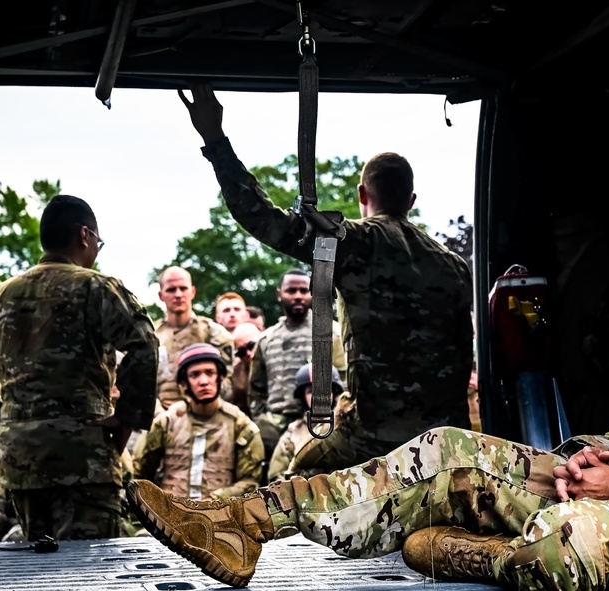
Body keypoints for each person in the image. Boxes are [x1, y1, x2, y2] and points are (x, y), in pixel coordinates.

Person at [127, 159, 609, 591]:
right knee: (445, 448)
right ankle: (242, 523)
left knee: (564, 546)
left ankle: (484, 551)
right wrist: (599, 453)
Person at [178, 83, 473, 470]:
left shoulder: (353, 242)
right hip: (447, 438)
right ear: (411, 200)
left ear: (362, 195)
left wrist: (215, 139)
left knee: (301, 477)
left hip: (375, 434)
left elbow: (262, 218)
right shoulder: (455, 264)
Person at [0, 195, 159, 541]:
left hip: (22, 460)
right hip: (83, 457)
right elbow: (144, 344)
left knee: (35, 571)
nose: (97, 250)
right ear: (84, 236)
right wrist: (127, 415)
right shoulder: (95, 287)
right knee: (89, 574)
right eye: (98, 241)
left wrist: (0, 424)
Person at [134, 344, 264, 500]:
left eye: (210, 373)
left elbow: (249, 482)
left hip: (220, 517)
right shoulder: (166, 422)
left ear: (220, 378)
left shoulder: (241, 425)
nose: (204, 381)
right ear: (184, 383)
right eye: (195, 375)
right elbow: (139, 475)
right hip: (168, 517)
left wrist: (214, 502)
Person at [250, 269, 347, 459]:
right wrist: (261, 419)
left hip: (319, 423)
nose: (298, 296)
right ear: (279, 295)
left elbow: (343, 382)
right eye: (291, 291)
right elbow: (256, 388)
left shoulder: (330, 333)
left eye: (304, 290)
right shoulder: (266, 339)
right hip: (275, 426)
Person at [154, 266, 235, 408]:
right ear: (161, 295)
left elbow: (227, 381)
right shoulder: (151, 336)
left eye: (183, 288)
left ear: (193, 291)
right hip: (159, 418)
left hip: (205, 415)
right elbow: (140, 381)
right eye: (171, 290)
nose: (178, 295)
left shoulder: (213, 333)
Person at [267, 364, 345, 482]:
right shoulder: (293, 433)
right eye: (311, 391)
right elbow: (276, 477)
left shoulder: (346, 425)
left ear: (334, 393)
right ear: (303, 397)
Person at [230, 321, 261, 416]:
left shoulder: (276, 363)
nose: (248, 353)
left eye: (252, 346)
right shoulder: (234, 373)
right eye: (241, 352)